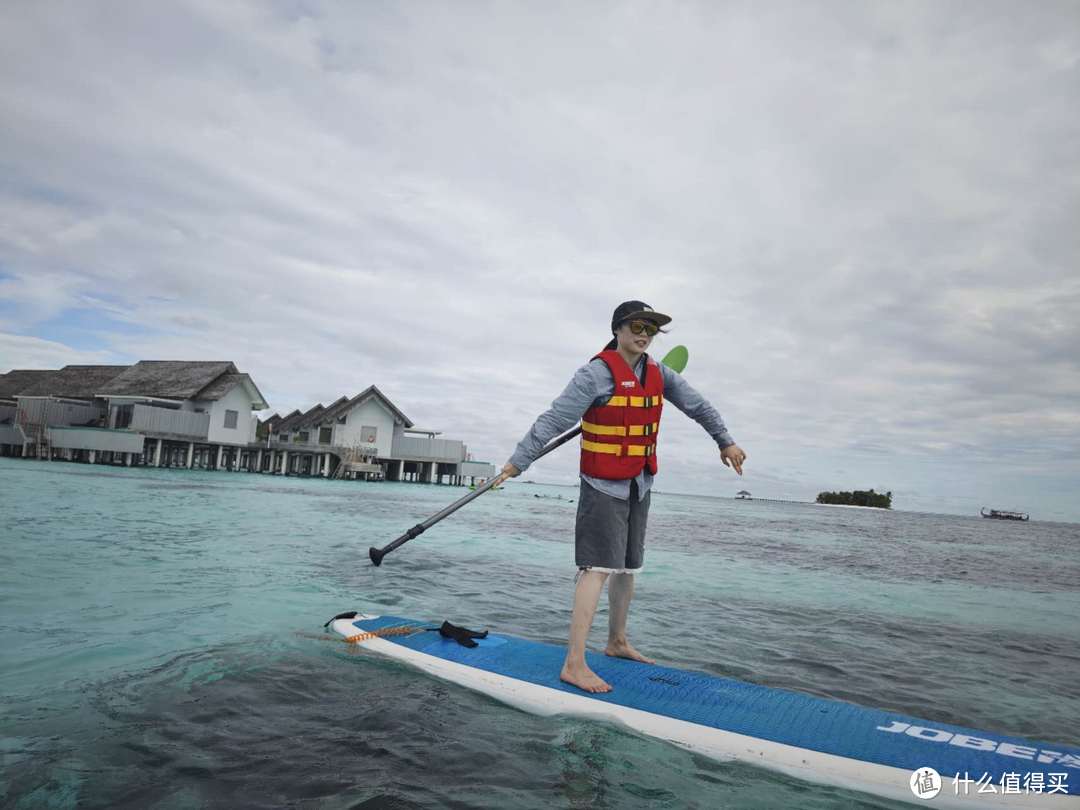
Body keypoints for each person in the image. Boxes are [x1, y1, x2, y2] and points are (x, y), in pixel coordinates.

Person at [502, 301, 746, 693]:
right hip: (602, 485)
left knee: (628, 568)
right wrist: (519, 461)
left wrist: (726, 441)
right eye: (636, 326)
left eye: (650, 328)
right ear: (618, 329)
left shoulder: (659, 373)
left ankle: (616, 641)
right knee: (596, 568)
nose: (644, 334)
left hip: (639, 481)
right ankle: (574, 664)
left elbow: (698, 406)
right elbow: (554, 419)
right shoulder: (594, 375)